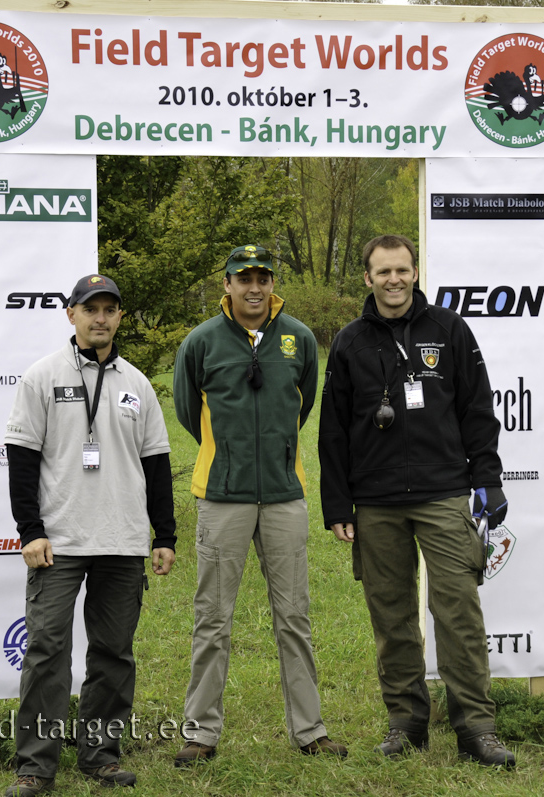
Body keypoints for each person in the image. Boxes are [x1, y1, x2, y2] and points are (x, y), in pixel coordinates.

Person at [318, 234, 516, 767]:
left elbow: (478, 409)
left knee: (459, 615)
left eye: (402, 270)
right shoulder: (350, 342)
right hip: (376, 501)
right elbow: (333, 431)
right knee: (393, 618)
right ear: (367, 277)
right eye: (383, 272)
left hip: (444, 494)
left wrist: (488, 478)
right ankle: (406, 723)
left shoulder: (449, 330)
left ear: (415, 271)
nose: (393, 280)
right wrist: (337, 505)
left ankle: (476, 727)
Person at [171, 244, 346, 765]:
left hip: (284, 497)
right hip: (221, 497)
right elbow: (186, 410)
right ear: (225, 284)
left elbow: (304, 403)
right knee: (212, 618)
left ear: (273, 283)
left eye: (262, 277)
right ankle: (201, 733)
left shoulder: (301, 339)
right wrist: (226, 459)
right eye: (242, 278)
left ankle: (310, 729)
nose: (253, 287)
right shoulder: (201, 342)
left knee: (294, 615)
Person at [2, 274, 176, 796]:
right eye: (90, 308)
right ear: (72, 314)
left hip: (122, 543)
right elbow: (21, 460)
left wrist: (163, 535)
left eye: (110, 309)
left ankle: (100, 756)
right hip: (59, 542)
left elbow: (158, 465)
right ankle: (35, 767)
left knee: (114, 654)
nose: (101, 318)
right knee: (47, 652)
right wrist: (30, 530)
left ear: (120, 317)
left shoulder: (137, 384)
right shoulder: (41, 376)